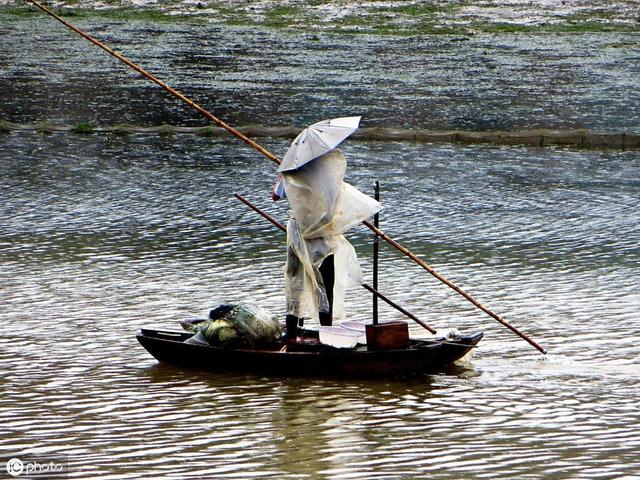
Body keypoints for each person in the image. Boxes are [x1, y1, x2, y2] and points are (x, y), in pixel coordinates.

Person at [272, 147, 381, 341]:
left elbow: (276, 196)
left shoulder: (292, 173)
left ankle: (291, 332)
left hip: (301, 232)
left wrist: (281, 176)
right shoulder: (329, 177)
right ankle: (327, 331)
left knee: (295, 280)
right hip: (323, 232)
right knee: (324, 281)